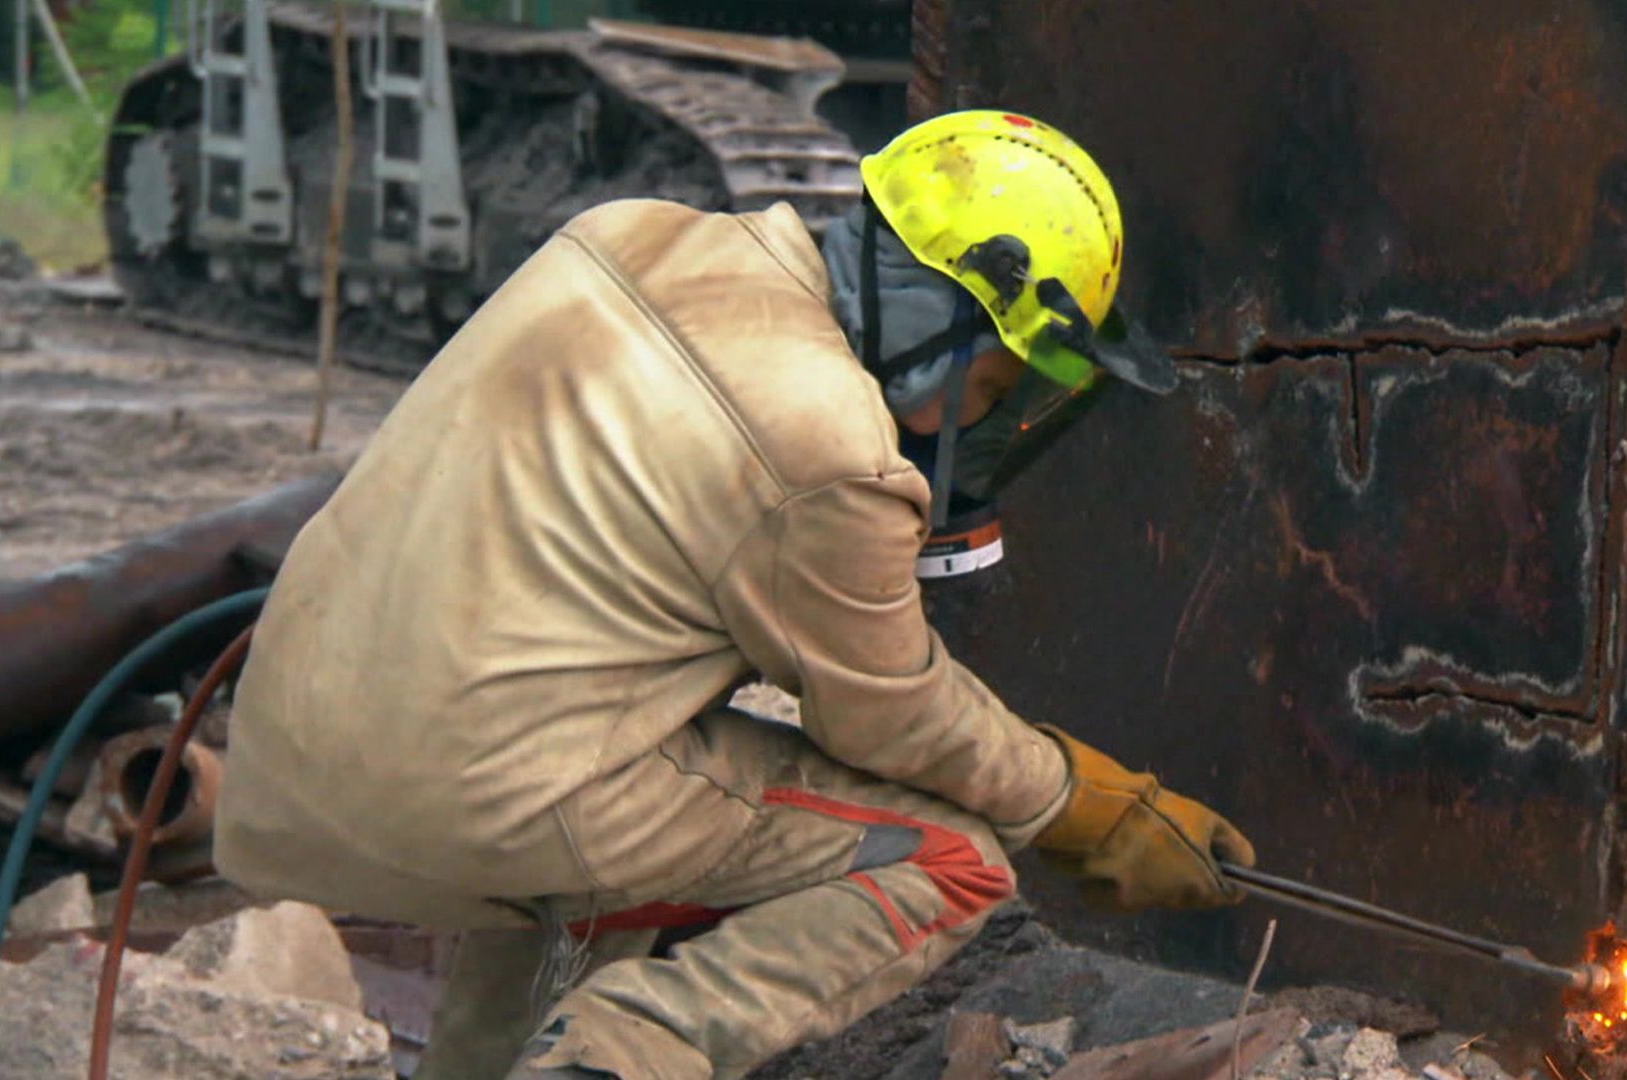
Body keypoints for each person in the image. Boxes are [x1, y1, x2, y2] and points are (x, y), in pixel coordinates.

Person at [215, 109, 1256, 1080]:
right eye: (990, 384)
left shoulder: (627, 238)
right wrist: (1082, 804)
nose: (964, 424)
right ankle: (618, 1055)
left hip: (286, 753)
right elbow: (888, 714)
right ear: (933, 315)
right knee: (953, 859)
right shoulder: (831, 452)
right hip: (470, 795)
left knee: (630, 810)